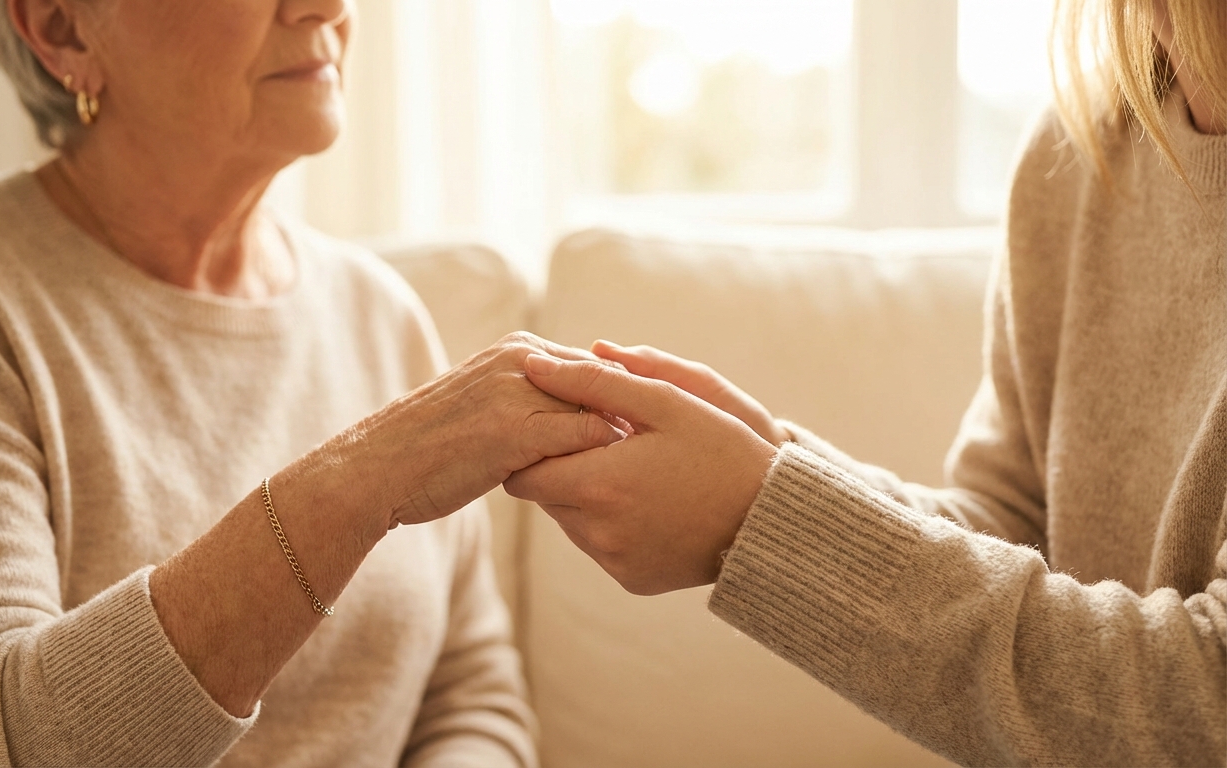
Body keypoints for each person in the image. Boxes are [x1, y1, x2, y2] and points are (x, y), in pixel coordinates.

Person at [0, 0, 622, 765]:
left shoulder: (377, 311)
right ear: (62, 29)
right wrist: (362, 480)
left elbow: (471, 692)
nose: (326, 6)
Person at [505, 0, 1227, 765]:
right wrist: (776, 467)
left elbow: (1206, 700)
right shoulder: (1082, 146)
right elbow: (1013, 526)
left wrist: (756, 518)